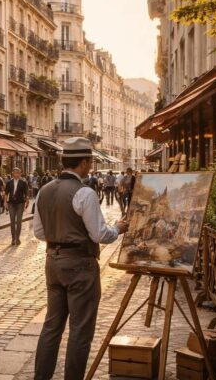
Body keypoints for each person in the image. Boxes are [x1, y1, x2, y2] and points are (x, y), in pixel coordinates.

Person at [32, 137, 129, 380]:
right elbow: (99, 234)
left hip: (52, 263)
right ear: (84, 163)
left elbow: (38, 232)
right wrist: (118, 228)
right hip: (79, 266)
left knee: (51, 327)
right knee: (79, 331)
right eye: (90, 162)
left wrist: (59, 237)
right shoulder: (84, 193)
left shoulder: (44, 190)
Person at [4, 168, 29, 246]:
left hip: (20, 203)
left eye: (18, 173)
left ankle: (17, 238)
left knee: (18, 221)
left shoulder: (23, 182)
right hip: (11, 203)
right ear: (12, 174)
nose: (16, 174)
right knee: (12, 221)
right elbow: (6, 193)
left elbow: (26, 193)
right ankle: (13, 238)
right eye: (15, 173)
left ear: (20, 174)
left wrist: (27, 201)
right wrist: (5, 202)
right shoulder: (9, 182)